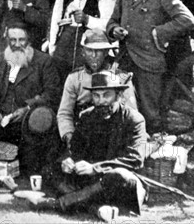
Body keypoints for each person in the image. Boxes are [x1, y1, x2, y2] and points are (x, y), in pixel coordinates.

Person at [27, 71, 148, 223]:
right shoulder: (87, 116)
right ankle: (94, 208)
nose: (101, 101)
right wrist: (68, 161)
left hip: (118, 184)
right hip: (91, 182)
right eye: (96, 96)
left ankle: (60, 204)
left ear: (119, 95)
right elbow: (75, 151)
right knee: (51, 167)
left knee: (119, 175)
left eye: (106, 95)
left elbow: (135, 160)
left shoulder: (134, 120)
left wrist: (95, 168)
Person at [107, 0, 194, 132]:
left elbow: (187, 20)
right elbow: (112, 21)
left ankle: (152, 150)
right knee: (121, 107)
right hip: (125, 59)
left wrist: (159, 33)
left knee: (150, 113)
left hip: (150, 61)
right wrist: (114, 30)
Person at [0, 22, 61, 173]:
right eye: (13, 40)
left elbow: (52, 93)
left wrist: (28, 107)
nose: (17, 44)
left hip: (25, 122)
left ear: (28, 40)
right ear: (7, 40)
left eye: (21, 40)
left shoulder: (43, 62)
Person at [57, 29, 138, 149]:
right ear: (83, 51)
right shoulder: (74, 78)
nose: (94, 55)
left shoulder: (121, 78)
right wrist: (69, 136)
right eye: (90, 50)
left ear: (106, 52)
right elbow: (64, 113)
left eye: (98, 51)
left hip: (113, 134)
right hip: (83, 132)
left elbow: (131, 113)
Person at [48, 0, 116, 82]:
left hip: (91, 46)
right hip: (64, 46)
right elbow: (55, 20)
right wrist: (53, 46)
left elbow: (109, 25)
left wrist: (87, 19)